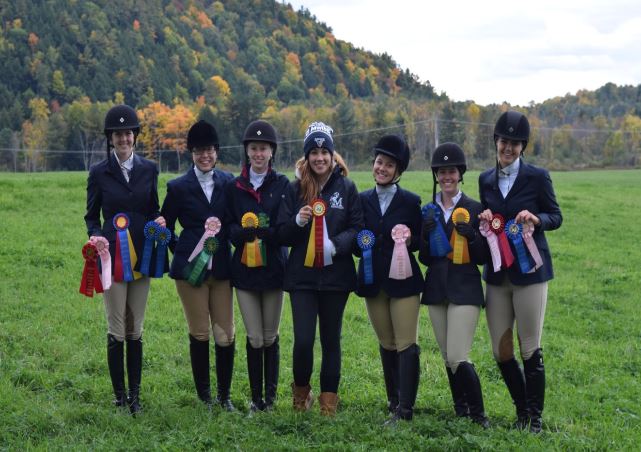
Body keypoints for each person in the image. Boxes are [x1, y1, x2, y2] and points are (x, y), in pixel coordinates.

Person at [478, 111, 562, 433]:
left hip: (530, 273)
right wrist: (485, 218)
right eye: (504, 141)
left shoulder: (538, 177)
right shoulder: (486, 179)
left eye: (515, 143)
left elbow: (556, 215)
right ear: (496, 141)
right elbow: (487, 223)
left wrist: (538, 220)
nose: (508, 148)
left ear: (522, 146)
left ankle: (534, 419)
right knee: (501, 352)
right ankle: (521, 409)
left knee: (530, 347)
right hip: (498, 275)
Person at [276, 121, 364, 416]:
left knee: (330, 340)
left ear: (332, 154)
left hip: (336, 278)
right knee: (302, 340)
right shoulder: (294, 189)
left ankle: (329, 402)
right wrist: (297, 223)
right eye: (313, 152)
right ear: (307, 156)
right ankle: (301, 395)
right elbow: (280, 234)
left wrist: (336, 245)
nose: (319, 157)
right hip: (302, 278)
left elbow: (357, 228)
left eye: (324, 151)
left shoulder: (347, 187)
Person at [84, 104, 165, 414]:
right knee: (117, 327)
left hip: (142, 257)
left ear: (135, 136)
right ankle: (119, 395)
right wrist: (95, 236)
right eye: (117, 134)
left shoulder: (149, 169)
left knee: (136, 328)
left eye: (128, 133)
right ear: (111, 138)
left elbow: (153, 208)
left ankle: (136, 395)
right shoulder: (98, 173)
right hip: (112, 258)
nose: (123, 138)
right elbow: (91, 216)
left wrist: (159, 220)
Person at [160, 120, 236, 410]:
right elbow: (164, 224)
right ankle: (205, 397)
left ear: (216, 152)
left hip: (222, 270)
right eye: (199, 151)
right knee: (200, 331)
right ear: (191, 153)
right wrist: (179, 248)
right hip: (190, 273)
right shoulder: (178, 187)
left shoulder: (229, 183)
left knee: (225, 333)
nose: (205, 155)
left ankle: (224, 396)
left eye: (209, 150)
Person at [418, 142, 490, 428]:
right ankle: (460, 408)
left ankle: (479, 414)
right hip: (436, 289)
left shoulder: (474, 208)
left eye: (452, 171)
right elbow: (425, 256)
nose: (447, 176)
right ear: (436, 175)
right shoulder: (428, 209)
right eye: (442, 171)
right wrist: (424, 233)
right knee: (448, 356)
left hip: (465, 289)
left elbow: (484, 258)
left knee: (459, 355)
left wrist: (472, 236)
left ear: (460, 174)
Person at [354, 135, 423, 424]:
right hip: (373, 282)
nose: (382, 168)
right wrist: (363, 244)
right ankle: (393, 400)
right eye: (379, 162)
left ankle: (405, 411)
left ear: (398, 170)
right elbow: (358, 243)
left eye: (389, 164)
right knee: (386, 342)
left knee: (406, 343)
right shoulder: (361, 200)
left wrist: (407, 240)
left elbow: (419, 241)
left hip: (404, 282)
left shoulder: (410, 201)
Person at [225, 120, 289, 413]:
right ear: (247, 152)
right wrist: (241, 233)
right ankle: (255, 398)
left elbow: (286, 228)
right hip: (245, 273)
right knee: (254, 337)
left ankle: (271, 400)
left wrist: (265, 233)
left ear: (271, 152)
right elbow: (227, 226)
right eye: (254, 149)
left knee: (270, 336)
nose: (259, 154)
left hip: (275, 271)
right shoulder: (234, 187)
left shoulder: (283, 185)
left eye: (263, 149)